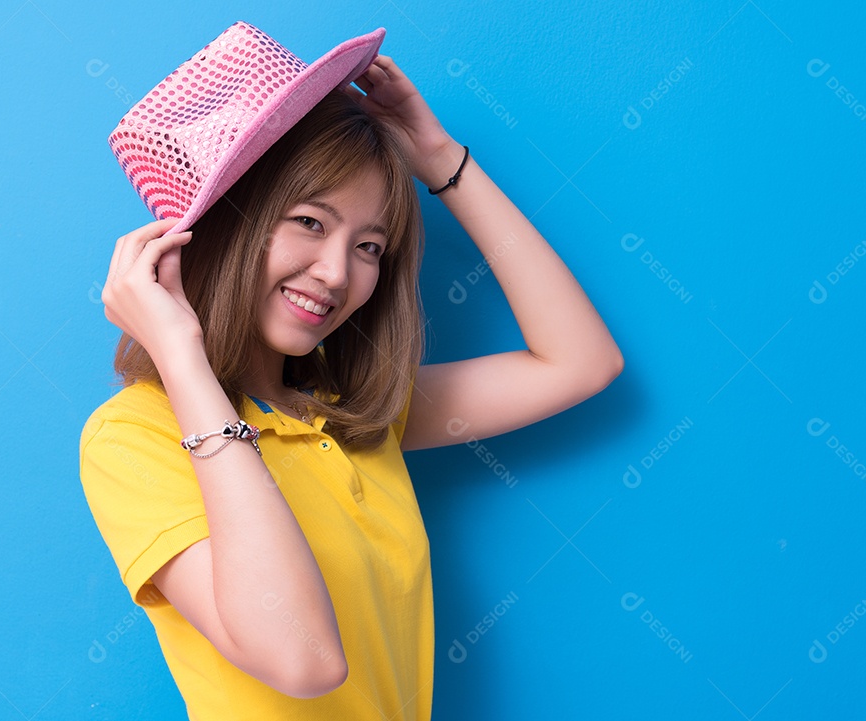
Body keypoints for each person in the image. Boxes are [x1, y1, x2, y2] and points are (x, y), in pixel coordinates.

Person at [79, 21, 623, 721]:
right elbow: (304, 660)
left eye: (370, 245)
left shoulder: (351, 411)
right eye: (309, 221)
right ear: (219, 227)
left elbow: (579, 361)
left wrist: (441, 162)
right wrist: (183, 354)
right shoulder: (132, 437)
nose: (338, 273)